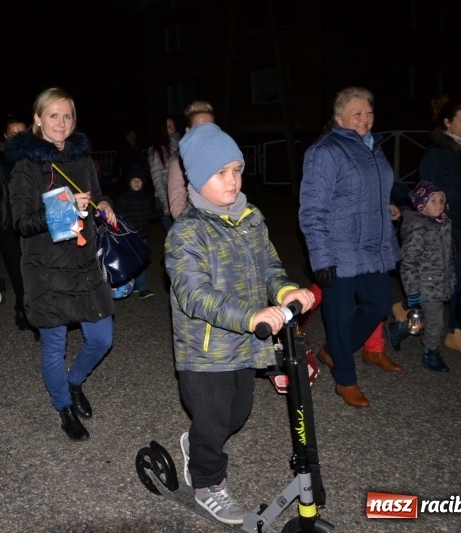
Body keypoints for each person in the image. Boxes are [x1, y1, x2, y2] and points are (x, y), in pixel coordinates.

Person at [165, 122, 314, 525]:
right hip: (206, 351)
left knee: (238, 414)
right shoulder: (187, 232)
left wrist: (284, 292)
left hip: (247, 344)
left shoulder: (251, 218)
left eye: (237, 170)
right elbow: (194, 295)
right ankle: (206, 483)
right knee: (214, 421)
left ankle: (198, 442)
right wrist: (250, 316)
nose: (232, 181)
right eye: (221, 173)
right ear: (197, 178)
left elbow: (269, 265)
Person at [7, 87, 116, 441]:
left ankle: (73, 383)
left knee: (102, 338)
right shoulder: (26, 165)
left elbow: (97, 195)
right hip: (45, 267)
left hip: (83, 262)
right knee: (54, 346)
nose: (61, 122)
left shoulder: (81, 158)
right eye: (53, 115)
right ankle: (63, 407)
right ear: (38, 120)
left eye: (67, 115)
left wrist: (105, 204)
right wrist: (67, 206)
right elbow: (22, 222)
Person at [299, 86, 402, 408]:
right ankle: (345, 379)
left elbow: (368, 193)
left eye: (369, 113)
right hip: (338, 249)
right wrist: (321, 257)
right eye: (357, 113)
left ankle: (334, 349)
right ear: (339, 117)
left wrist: (388, 207)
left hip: (372, 246)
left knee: (379, 305)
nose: (365, 119)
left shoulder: (372, 148)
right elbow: (312, 209)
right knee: (340, 317)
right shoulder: (326, 151)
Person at [418, 95, 461, 357]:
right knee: (449, 279)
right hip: (447, 225)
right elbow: (429, 192)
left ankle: (454, 329)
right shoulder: (437, 154)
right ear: (447, 122)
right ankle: (452, 330)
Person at [387, 181, 455, 373]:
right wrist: (413, 291)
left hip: (439, 283)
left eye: (442, 200)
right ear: (420, 205)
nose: (439, 204)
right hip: (425, 284)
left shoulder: (443, 225)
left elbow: (448, 257)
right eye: (433, 200)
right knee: (435, 323)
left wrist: (451, 281)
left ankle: (398, 330)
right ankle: (430, 355)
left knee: (422, 319)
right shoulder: (418, 230)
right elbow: (408, 264)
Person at [0, 116, 31, 332]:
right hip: (7, 224)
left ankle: (30, 309)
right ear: (6, 137)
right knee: (16, 270)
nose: (18, 137)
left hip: (32, 223)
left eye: (22, 132)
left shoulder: (35, 158)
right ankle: (25, 310)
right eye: (13, 134)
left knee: (32, 269)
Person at [167, 101, 215, 220]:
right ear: (188, 131)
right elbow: (177, 206)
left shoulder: (225, 159)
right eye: (199, 128)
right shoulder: (178, 164)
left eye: (210, 128)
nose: (205, 133)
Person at [115, 163, 155, 299]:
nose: (136, 182)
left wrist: (163, 213)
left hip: (143, 235)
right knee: (139, 262)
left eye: (139, 180)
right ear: (129, 183)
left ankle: (136, 285)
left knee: (138, 261)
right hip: (130, 237)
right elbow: (118, 215)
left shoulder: (146, 197)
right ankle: (144, 288)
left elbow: (150, 214)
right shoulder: (124, 199)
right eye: (133, 180)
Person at [147, 117, 180, 232]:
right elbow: (157, 180)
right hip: (165, 199)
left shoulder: (180, 146)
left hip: (180, 196)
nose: (173, 128)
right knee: (175, 239)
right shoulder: (157, 152)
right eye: (169, 126)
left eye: (173, 125)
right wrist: (166, 204)